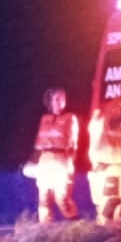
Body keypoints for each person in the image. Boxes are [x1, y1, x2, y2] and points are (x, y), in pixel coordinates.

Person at [30, 87, 81, 222]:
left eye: (63, 98)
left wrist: (70, 162)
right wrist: (33, 161)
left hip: (61, 159)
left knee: (62, 198)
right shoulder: (44, 119)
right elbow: (39, 141)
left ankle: (76, 225)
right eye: (57, 99)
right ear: (51, 101)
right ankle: (45, 228)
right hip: (45, 160)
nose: (61, 101)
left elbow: (74, 142)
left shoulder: (70, 118)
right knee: (44, 198)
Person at [87, 99, 121, 222]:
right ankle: (104, 227)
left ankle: (115, 228)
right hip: (109, 165)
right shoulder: (101, 120)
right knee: (111, 202)